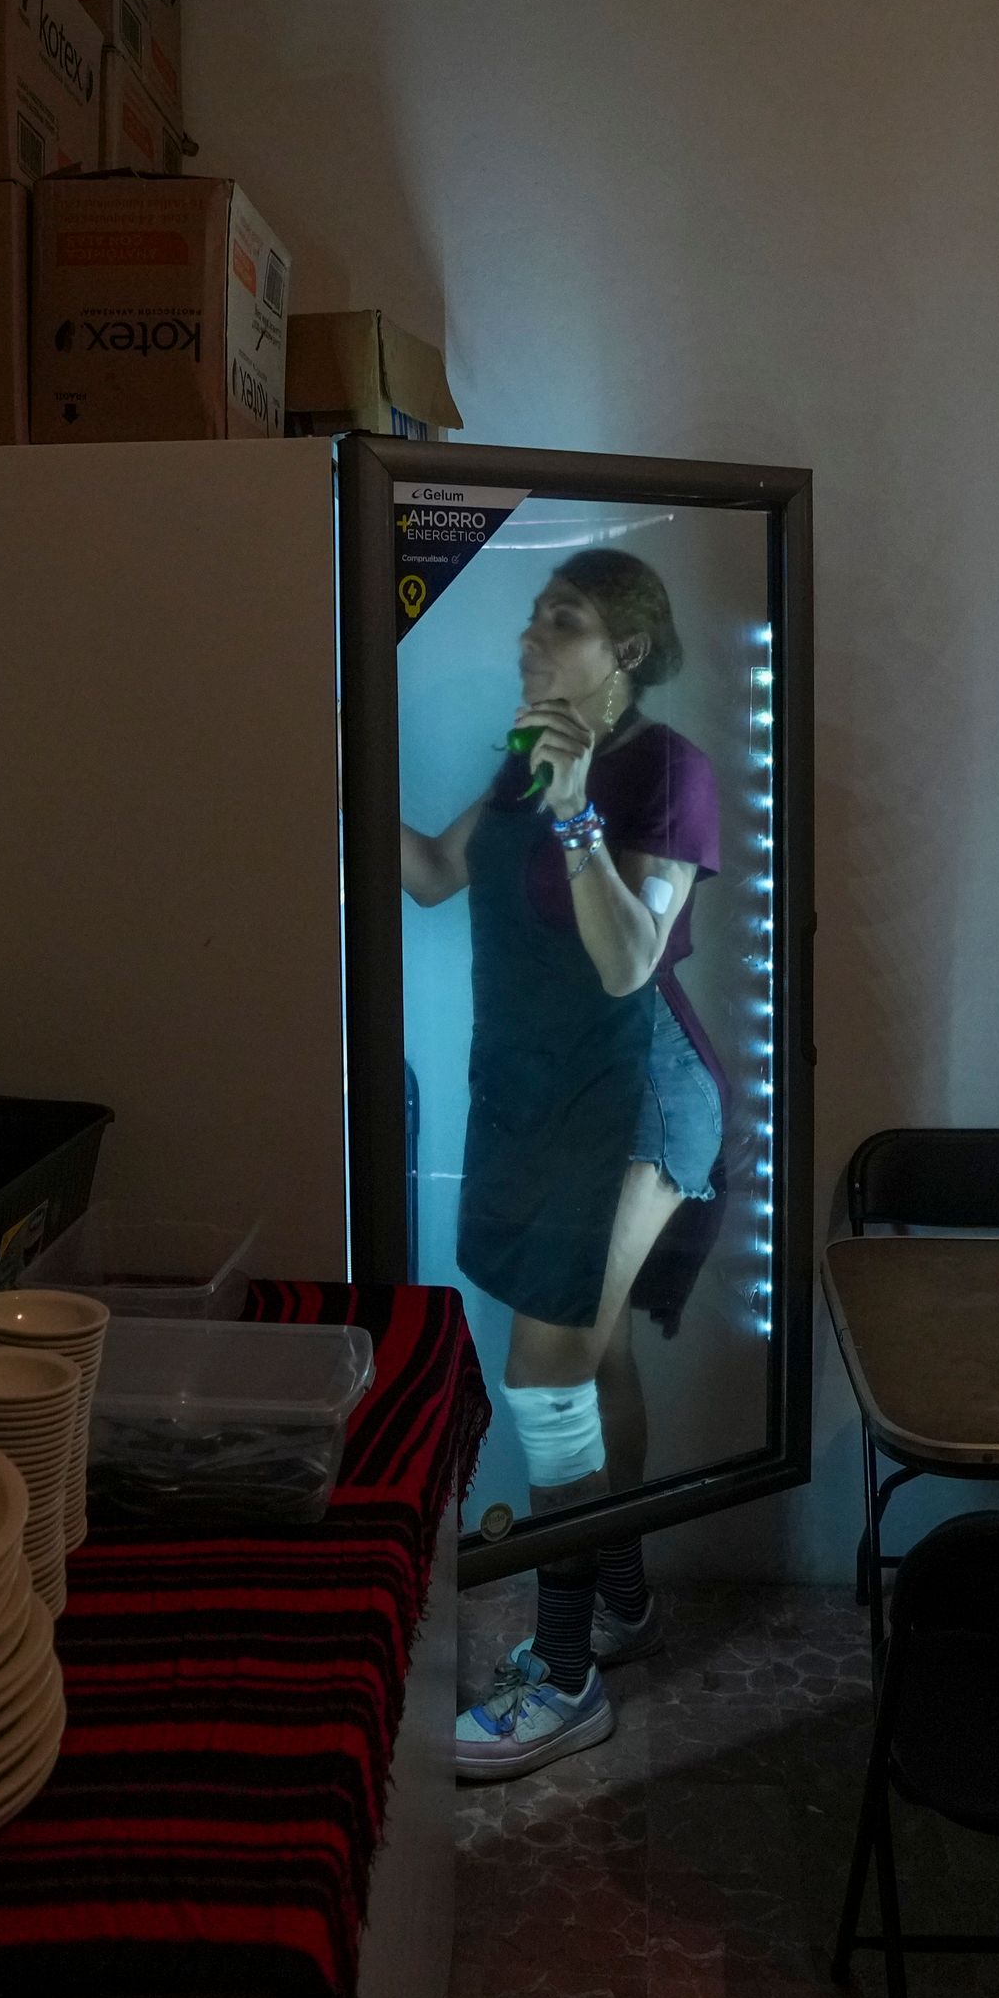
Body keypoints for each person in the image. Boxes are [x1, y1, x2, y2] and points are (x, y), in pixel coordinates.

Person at [401, 548, 722, 1781]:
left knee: (548, 1361)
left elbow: (628, 961)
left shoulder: (663, 769)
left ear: (626, 650)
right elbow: (435, 873)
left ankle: (567, 1669)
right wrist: (319, 758)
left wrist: (580, 807)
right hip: (537, 1095)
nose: (531, 635)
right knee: (598, 1351)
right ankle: (624, 1596)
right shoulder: (525, 757)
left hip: (639, 1090)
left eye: (563, 618)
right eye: (535, 615)